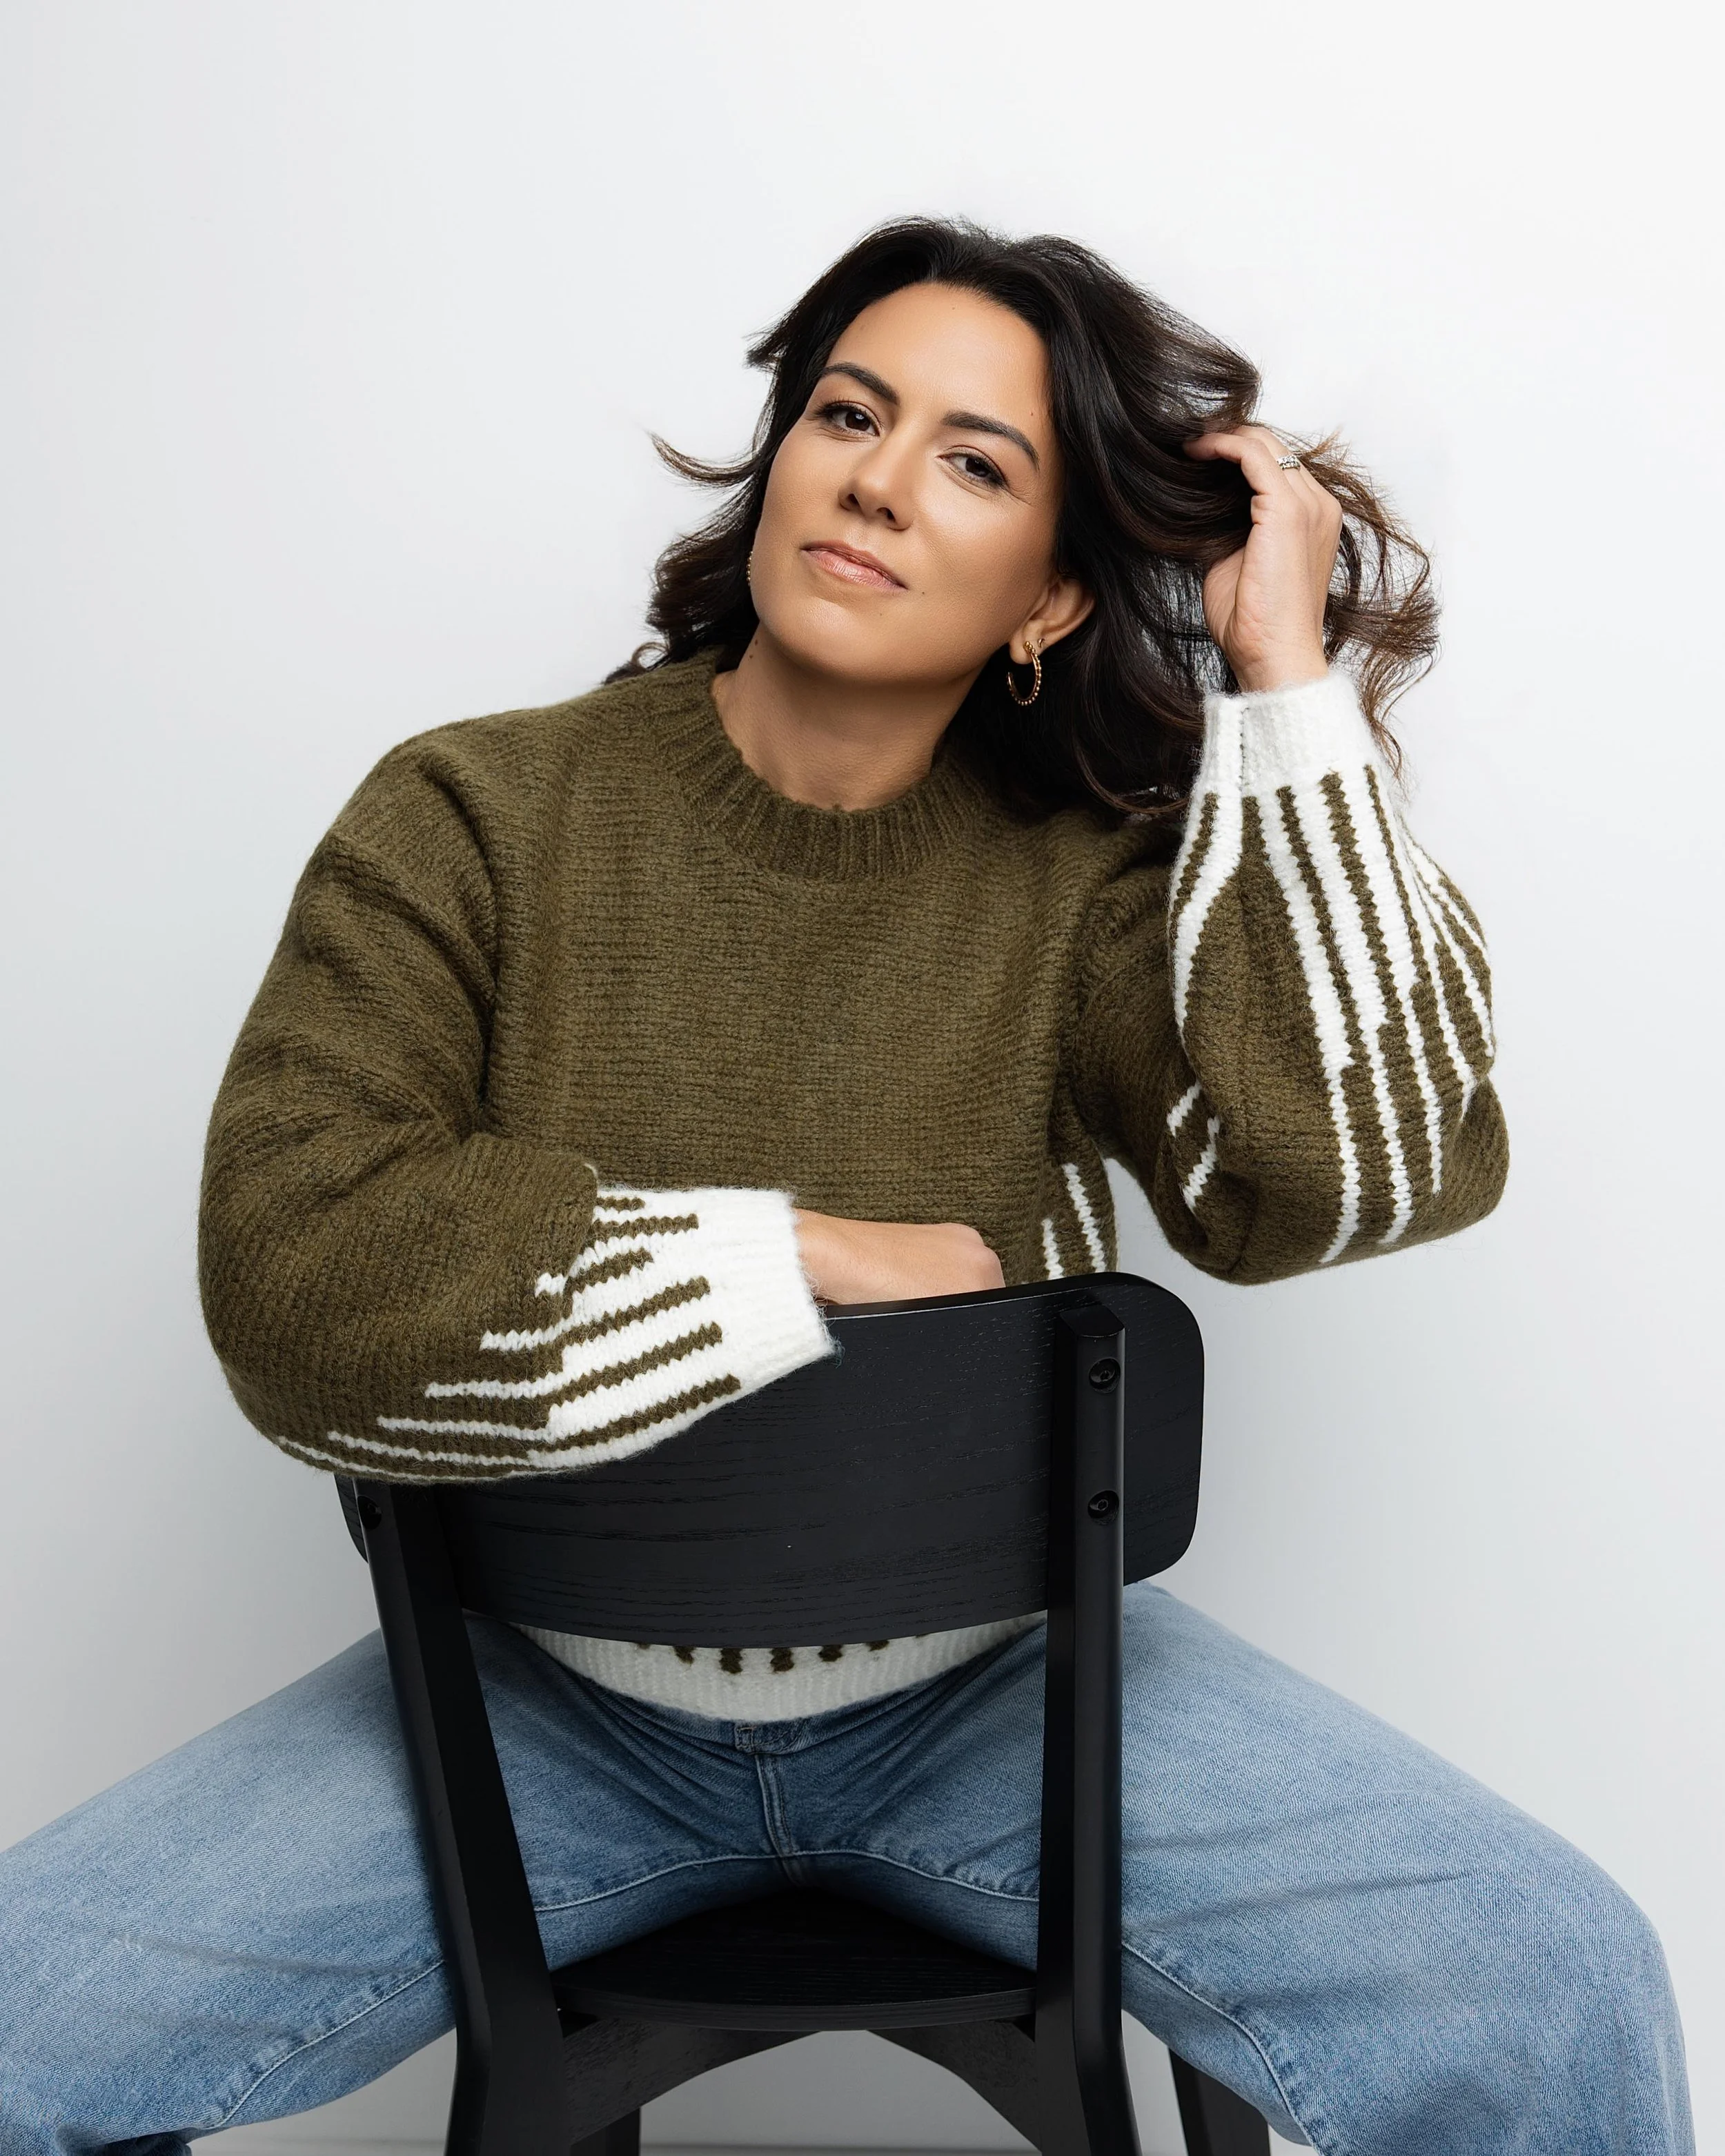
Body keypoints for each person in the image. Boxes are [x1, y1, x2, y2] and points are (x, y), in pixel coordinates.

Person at [0, 219, 1690, 2154]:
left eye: (975, 461)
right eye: (847, 415)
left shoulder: (1086, 882)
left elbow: (1358, 1170)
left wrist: (1282, 679)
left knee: (1554, 1985)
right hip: (536, 1706)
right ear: (779, 460)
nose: (880, 480)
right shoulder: (474, 813)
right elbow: (293, 1266)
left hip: (1009, 1705)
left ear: (1051, 594)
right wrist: (795, 1260)